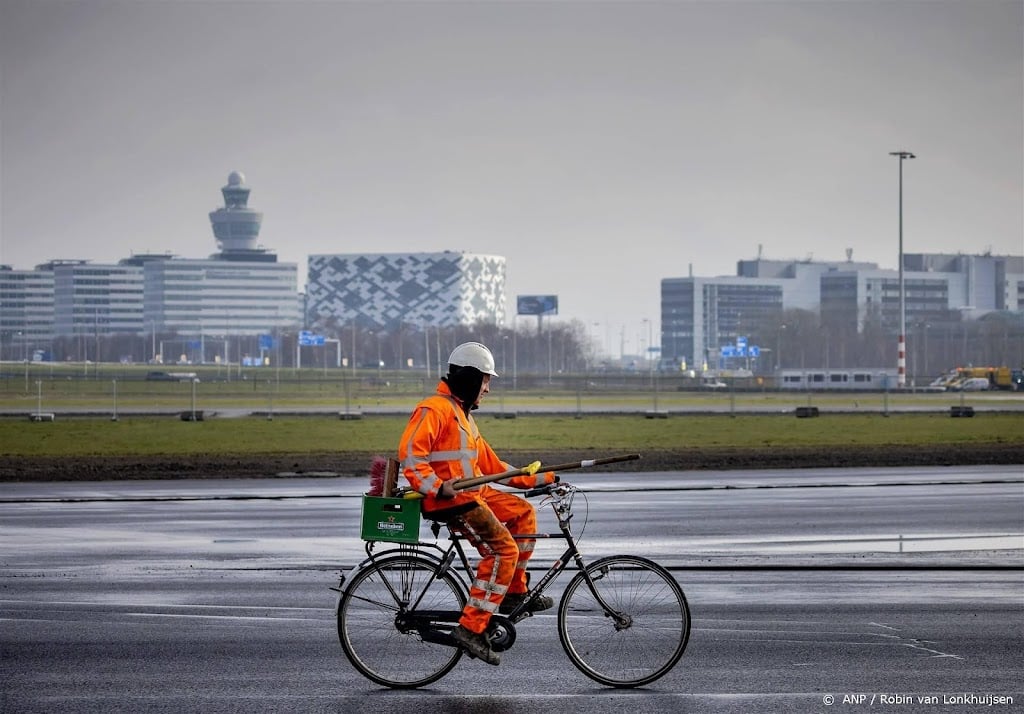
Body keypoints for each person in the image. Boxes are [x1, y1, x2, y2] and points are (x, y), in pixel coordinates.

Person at [398, 341, 558, 666]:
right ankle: (471, 628)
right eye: (485, 380)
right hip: (452, 503)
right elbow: (411, 458)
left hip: (472, 496)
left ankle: (515, 592)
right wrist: (437, 487)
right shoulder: (435, 408)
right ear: (470, 378)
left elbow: (494, 469)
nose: (487, 388)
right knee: (504, 550)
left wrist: (545, 480)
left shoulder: (463, 417)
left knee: (523, 514)